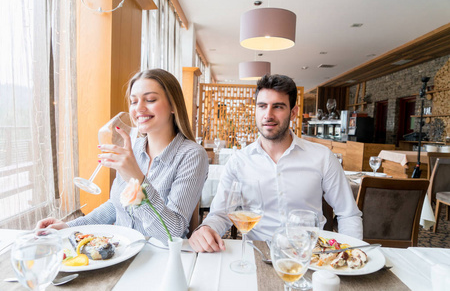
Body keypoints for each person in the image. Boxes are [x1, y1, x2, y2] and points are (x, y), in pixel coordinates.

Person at [189, 74, 362, 253]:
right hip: (256, 255)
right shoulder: (238, 162)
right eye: (262, 106)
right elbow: (220, 214)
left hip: (309, 256)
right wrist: (206, 229)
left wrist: (352, 255)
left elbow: (348, 214)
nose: (268, 115)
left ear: (293, 112)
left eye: (278, 107)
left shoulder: (323, 157)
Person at [37, 69, 209, 243]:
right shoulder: (132, 149)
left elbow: (173, 232)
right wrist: (70, 227)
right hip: (121, 252)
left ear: (173, 105)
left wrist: (138, 181)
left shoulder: (192, 155)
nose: (139, 108)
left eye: (150, 100)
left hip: (159, 258)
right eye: (134, 102)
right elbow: (115, 205)